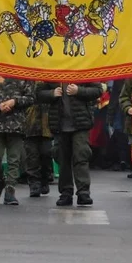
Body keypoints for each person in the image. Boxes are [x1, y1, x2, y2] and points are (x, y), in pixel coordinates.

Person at [37, 79, 103, 207]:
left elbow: (98, 90)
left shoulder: (82, 67)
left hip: (81, 123)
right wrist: (52, 93)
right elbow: (38, 93)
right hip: (59, 124)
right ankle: (66, 192)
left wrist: (79, 91)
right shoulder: (53, 70)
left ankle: (83, 192)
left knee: (81, 155)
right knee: (62, 159)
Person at [0, 74, 35, 205]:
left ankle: (10, 190)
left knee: (14, 159)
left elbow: (31, 98)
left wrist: (14, 102)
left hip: (16, 124)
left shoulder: (23, 73)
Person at [23, 95, 53, 197]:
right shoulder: (27, 80)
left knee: (46, 153)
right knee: (32, 156)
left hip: (47, 123)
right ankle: (34, 184)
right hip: (30, 122)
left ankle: (45, 178)